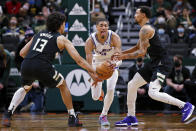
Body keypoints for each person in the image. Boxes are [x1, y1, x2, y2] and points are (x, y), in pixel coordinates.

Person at [2, 12, 100, 127]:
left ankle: (8, 114)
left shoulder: (39, 34)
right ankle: (72, 117)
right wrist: (94, 71)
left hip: (26, 64)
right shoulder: (61, 39)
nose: (64, 26)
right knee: (63, 84)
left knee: (25, 88)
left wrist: (34, 59)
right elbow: (79, 60)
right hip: (42, 66)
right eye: (64, 24)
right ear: (60, 25)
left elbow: (22, 53)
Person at [113, 6, 195, 126]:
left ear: (143, 15)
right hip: (153, 62)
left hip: (162, 63)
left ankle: (185, 106)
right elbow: (137, 47)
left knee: (153, 92)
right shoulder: (143, 29)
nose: (134, 15)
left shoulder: (146, 29)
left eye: (137, 13)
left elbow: (141, 53)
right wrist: (121, 53)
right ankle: (131, 117)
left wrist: (122, 57)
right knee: (132, 85)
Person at [85, 18, 122, 126]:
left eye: (106, 25)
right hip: (97, 63)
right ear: (96, 27)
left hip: (111, 63)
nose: (104, 27)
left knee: (111, 90)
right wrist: (93, 75)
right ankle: (99, 91)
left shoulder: (114, 37)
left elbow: (119, 57)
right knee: (95, 97)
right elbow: (88, 63)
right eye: (101, 25)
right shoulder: (90, 40)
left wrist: (114, 64)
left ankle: (103, 115)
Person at [0, 44, 11, 110]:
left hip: (3, 74)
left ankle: (3, 106)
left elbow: (7, 71)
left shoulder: (7, 55)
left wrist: (2, 82)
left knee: (3, 88)